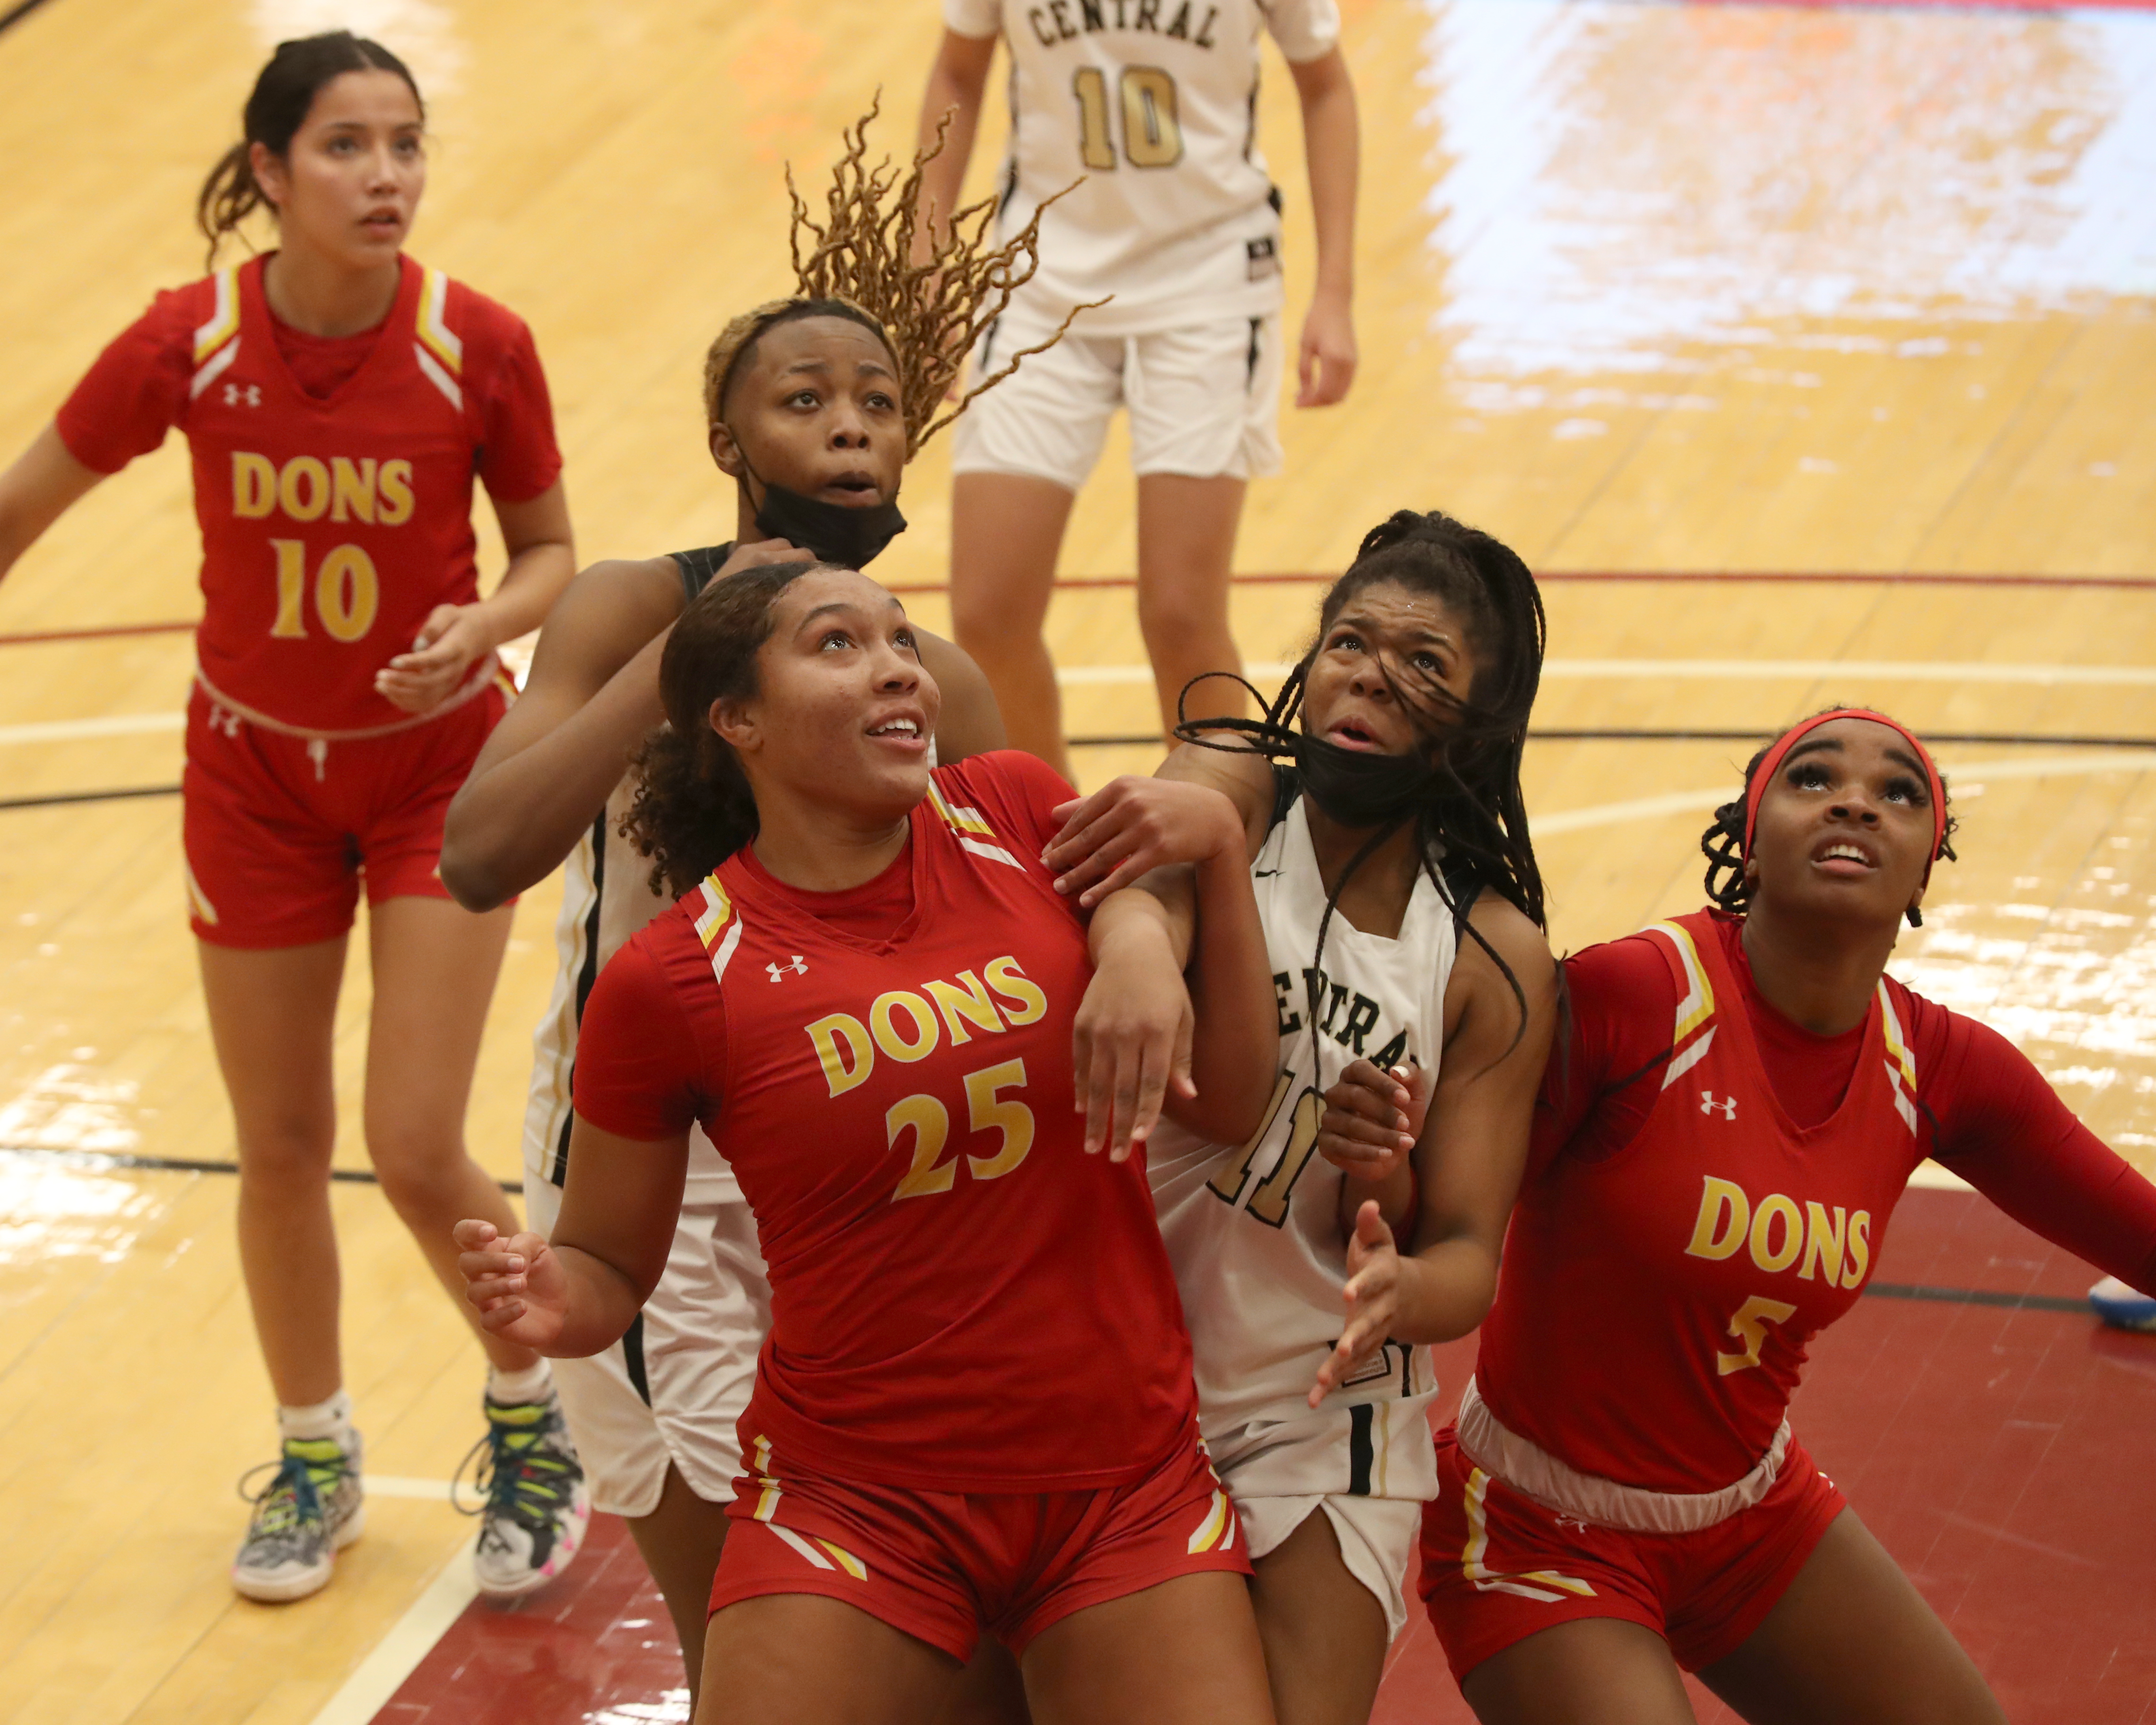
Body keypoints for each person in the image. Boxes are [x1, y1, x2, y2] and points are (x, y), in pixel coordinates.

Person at [438, 109, 1056, 1696]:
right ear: (731, 443)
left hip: (875, 1155)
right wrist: (693, 649)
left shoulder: (949, 680)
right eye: (805, 398)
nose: (852, 422)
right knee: (769, 1657)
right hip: (666, 1189)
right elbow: (482, 849)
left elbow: (1042, 909)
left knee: (956, 1646)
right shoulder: (633, 603)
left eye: (879, 400)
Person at [453, 556, 1283, 1724]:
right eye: (838, 645)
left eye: (902, 640)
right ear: (736, 720)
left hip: (1121, 1484)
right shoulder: (672, 979)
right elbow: (606, 1268)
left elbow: (1232, 1102)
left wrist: (1205, 890)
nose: (899, 667)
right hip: (856, 1505)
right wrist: (551, 1301)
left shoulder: (1012, 808)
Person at [0, 32, 584, 1603]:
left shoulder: (479, 342)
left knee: (408, 1139)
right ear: (267, 172)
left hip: (434, 777)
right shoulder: (184, 342)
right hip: (252, 772)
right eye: (345, 146)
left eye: (404, 143)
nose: (386, 173)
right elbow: (21, 502)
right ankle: (315, 1450)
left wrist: (485, 629)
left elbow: (547, 554)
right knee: (276, 1142)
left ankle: (535, 1412)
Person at [1404, 708, 2156, 1725]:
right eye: (1812, 779)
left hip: (1753, 1516)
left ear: (1925, 870)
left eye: (1899, 793)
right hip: (1539, 1527)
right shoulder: (1635, 996)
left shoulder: (1941, 1067)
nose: (1856, 799)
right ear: (1748, 840)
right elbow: (1440, 1218)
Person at [1035, 511, 1559, 1725]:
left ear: (1477, 723)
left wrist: (1394, 1273)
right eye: (1348, 641)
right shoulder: (1232, 785)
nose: (1370, 673)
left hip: (1321, 1412)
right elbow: (1151, 886)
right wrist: (1134, 949)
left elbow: (1468, 1253)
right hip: (1111, 1377)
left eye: (1424, 662)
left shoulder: (1492, 956)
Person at [913, 0, 1361, 773]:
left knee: (1181, 612)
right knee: (988, 612)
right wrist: (926, 263)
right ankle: (1052, 853)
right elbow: (958, 68)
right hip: (1039, 282)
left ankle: (1227, 858)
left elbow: (1326, 87)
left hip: (1209, 286)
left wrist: (1335, 292)